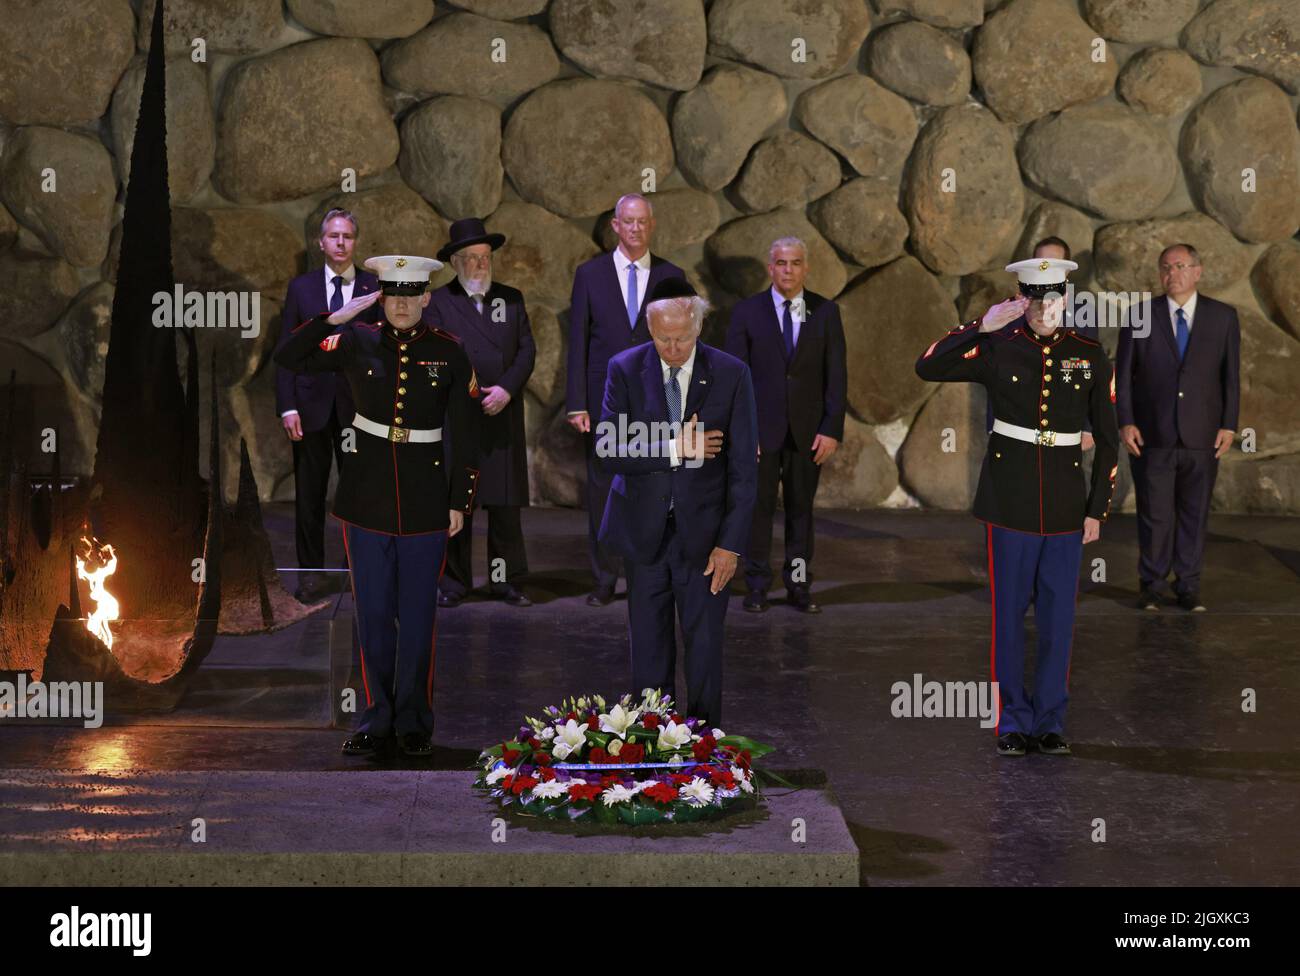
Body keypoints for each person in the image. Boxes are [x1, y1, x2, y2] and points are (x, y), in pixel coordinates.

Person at [273, 254, 481, 758]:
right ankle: (375, 718)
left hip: (426, 499)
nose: (403, 304)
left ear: (426, 297)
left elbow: (468, 432)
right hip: (365, 498)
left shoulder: (448, 352)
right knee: (372, 614)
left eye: (412, 295)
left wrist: (460, 500)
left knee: (416, 618)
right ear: (380, 296)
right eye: (394, 295)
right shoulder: (356, 339)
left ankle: (413, 721)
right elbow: (289, 354)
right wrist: (339, 316)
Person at [915, 257, 1119, 758]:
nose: (1046, 308)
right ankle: (1012, 719)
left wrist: (1098, 509)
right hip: (1009, 502)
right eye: (1035, 298)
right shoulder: (997, 347)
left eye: (1054, 298)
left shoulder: (1088, 353)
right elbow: (929, 365)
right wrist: (980, 326)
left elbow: (1109, 440)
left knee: (1058, 621)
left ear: (1067, 298)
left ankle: (1049, 720)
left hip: (1068, 506)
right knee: (1008, 619)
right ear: (1021, 300)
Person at [596, 279, 758, 726]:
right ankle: (654, 742)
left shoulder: (731, 373)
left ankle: (705, 747)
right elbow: (608, 448)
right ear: (649, 330)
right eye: (662, 338)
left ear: (699, 327)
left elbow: (744, 470)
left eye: (682, 338)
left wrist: (730, 545)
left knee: (704, 648)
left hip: (707, 540)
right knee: (648, 650)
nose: (672, 348)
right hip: (643, 533)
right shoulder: (624, 369)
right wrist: (674, 447)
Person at [566, 193, 685, 606]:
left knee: (653, 488)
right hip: (603, 402)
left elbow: (683, 344)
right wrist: (577, 403)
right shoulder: (590, 275)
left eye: (642, 222)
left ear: (651, 226)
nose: (635, 229)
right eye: (627, 222)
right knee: (602, 489)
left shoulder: (672, 275)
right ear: (615, 226)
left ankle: (646, 574)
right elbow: (578, 340)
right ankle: (604, 578)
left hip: (655, 400)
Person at [724, 237, 846, 614]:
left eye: (795, 263)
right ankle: (757, 585)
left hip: (808, 434)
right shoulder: (747, 313)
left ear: (806, 268)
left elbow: (836, 376)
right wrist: (744, 432)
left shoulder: (826, 312)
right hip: (761, 433)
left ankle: (798, 586)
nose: (788, 270)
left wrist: (831, 428)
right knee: (757, 511)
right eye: (781, 263)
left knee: (801, 512)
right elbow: (735, 378)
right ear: (770, 268)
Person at [1116, 243, 1239, 613]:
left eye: (1181, 266)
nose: (1173, 273)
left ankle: (1188, 585)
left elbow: (1230, 376)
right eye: (1166, 267)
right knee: (1154, 513)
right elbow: (1122, 377)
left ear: (1198, 271)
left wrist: (1229, 425)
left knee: (1194, 512)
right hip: (1151, 433)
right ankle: (1151, 585)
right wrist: (1126, 421)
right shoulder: (1140, 315)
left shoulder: (1223, 317)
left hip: (1203, 434)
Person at [425, 218, 536, 609]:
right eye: (471, 259)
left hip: (502, 415)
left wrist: (506, 388)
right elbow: (437, 356)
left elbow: (526, 351)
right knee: (461, 503)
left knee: (504, 508)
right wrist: (469, 394)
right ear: (455, 262)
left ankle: (504, 582)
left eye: (485, 258)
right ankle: (454, 582)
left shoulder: (512, 298)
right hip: (460, 418)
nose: (480, 265)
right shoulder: (438, 303)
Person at [274, 208, 382, 601]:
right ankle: (310, 574)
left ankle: (360, 570)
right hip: (311, 407)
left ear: (355, 241)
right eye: (333, 236)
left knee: (360, 495)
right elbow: (286, 348)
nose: (340, 242)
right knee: (309, 495)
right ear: (321, 242)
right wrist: (287, 406)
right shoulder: (301, 289)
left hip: (360, 408)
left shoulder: (374, 287)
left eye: (347, 236)